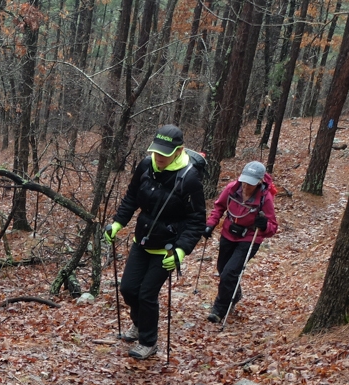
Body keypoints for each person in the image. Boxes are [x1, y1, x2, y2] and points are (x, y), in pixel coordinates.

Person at [104, 125, 206, 359]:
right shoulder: (146, 166)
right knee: (128, 289)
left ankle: (148, 342)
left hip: (168, 248)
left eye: (164, 154)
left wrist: (180, 251)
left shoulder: (189, 179)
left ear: (178, 151)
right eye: (156, 152)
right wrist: (118, 223)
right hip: (143, 239)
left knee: (147, 294)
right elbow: (132, 196)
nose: (158, 158)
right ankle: (140, 324)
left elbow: (196, 220)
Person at [203, 160, 279, 323]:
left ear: (259, 182)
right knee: (223, 270)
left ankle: (219, 309)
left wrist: (264, 225)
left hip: (249, 238)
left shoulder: (265, 199)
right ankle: (235, 294)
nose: (246, 186)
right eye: (244, 181)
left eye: (250, 184)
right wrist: (210, 224)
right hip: (228, 233)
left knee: (230, 272)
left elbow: (273, 227)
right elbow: (219, 207)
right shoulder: (232, 188)